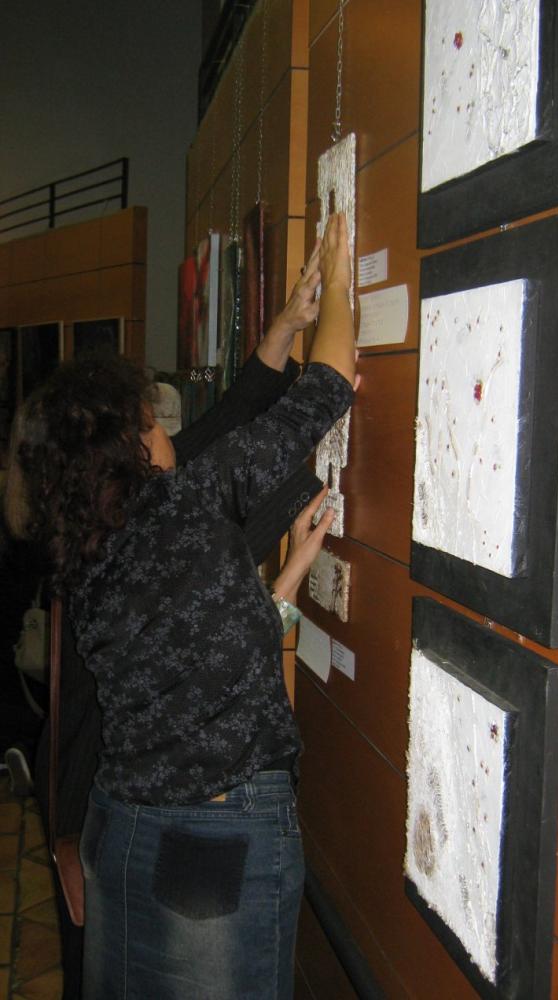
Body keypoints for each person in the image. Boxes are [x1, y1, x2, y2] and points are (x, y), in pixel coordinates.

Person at [6, 213, 355, 999]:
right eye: (153, 421)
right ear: (131, 445)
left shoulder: (86, 551)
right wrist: (339, 273)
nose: (168, 431)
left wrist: (285, 581)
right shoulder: (186, 506)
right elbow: (329, 386)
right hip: (212, 840)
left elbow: (192, 664)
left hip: (123, 828)